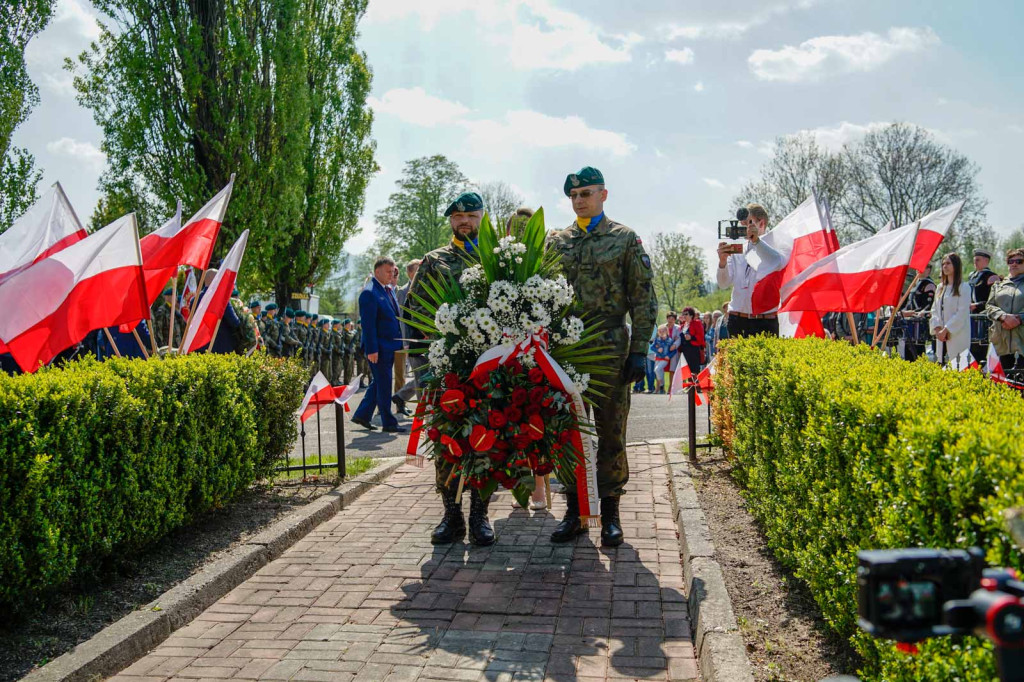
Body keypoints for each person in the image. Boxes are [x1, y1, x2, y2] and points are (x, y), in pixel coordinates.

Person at [545, 166, 658, 547]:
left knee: (611, 432)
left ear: (603, 195)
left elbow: (643, 298)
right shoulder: (556, 243)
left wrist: (640, 350)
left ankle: (610, 513)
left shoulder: (625, 240)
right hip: (567, 351)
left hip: (611, 346)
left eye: (587, 193)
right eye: (574, 195)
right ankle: (575, 511)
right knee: (568, 432)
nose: (580, 200)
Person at [407, 190, 498, 547]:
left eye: (471, 216)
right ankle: (451, 515)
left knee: (486, 440)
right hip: (444, 366)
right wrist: (423, 363)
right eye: (458, 217)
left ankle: (480, 515)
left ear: (481, 217)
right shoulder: (434, 260)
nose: (465, 221)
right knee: (446, 441)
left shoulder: (496, 259)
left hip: (488, 367)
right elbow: (413, 312)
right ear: (451, 221)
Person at [352, 257, 405, 437]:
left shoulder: (386, 289)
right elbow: (368, 325)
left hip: (390, 345)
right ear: (377, 272)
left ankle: (362, 415)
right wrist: (372, 349)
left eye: (393, 271)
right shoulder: (370, 292)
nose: (392, 275)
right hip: (380, 348)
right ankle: (388, 422)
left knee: (379, 383)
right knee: (383, 385)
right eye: (388, 272)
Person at [716, 203, 784, 338]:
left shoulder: (776, 244)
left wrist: (756, 242)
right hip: (737, 319)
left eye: (748, 223)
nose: (744, 229)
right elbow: (723, 284)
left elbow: (776, 263)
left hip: (765, 320)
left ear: (761, 223)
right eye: (742, 225)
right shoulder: (736, 249)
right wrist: (722, 263)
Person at [984, 247, 1024, 373]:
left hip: (1021, 340)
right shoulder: (998, 285)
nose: (1014, 264)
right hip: (1001, 341)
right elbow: (989, 306)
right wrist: (1003, 316)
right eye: (1010, 261)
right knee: (1003, 383)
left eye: (1019, 261)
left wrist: (1019, 318)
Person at [929, 252, 971, 366]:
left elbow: (961, 313)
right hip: (941, 336)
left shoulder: (964, 287)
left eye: (948, 263)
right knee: (942, 365)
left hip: (957, 334)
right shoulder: (940, 288)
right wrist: (937, 328)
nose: (945, 266)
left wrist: (946, 330)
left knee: (959, 365)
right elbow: (935, 310)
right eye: (943, 264)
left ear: (956, 265)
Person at [392, 259, 422, 416]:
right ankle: (403, 399)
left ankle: (401, 396)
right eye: (418, 270)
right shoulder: (403, 291)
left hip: (423, 338)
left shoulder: (422, 286)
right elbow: (402, 319)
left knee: (423, 374)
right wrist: (405, 341)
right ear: (411, 272)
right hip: (411, 340)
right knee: (417, 375)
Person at [968, 249, 1000, 314]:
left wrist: (978, 305)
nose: (975, 262)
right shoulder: (972, 275)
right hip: (971, 312)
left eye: (977, 260)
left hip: (985, 313)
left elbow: (995, 300)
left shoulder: (992, 276)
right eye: (974, 260)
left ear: (986, 261)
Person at [677, 307, 705, 374]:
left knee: (694, 371)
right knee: (687, 372)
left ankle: (695, 384)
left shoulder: (697, 323)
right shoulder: (683, 325)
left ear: (691, 315)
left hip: (693, 350)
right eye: (683, 314)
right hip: (684, 351)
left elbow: (701, 336)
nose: (684, 316)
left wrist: (691, 337)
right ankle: (689, 384)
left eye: (686, 314)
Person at [651, 326, 672, 393]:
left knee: (657, 369)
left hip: (665, 359)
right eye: (660, 331)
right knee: (660, 372)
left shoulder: (670, 340)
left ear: (666, 331)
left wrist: (669, 356)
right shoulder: (657, 340)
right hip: (657, 358)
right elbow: (652, 347)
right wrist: (657, 350)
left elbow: (673, 351)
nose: (661, 333)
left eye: (663, 331)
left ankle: (662, 385)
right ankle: (662, 389)